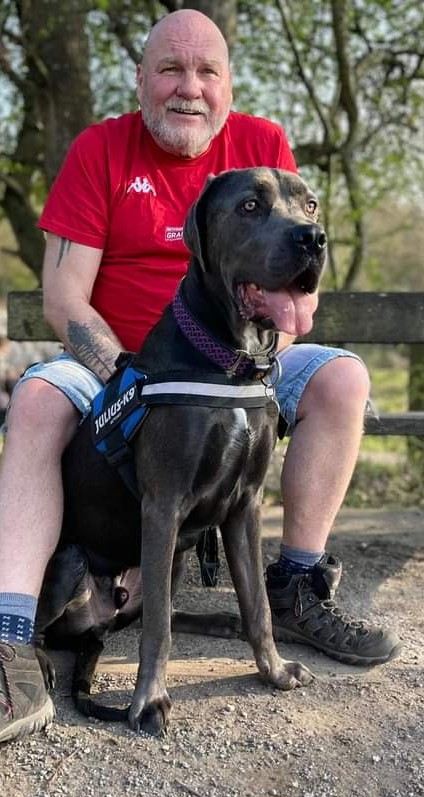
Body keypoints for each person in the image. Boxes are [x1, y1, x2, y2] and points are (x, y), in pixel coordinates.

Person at [0, 9, 400, 744]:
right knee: (33, 398)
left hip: (249, 354)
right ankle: (11, 632)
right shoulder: (101, 151)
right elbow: (64, 299)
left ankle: (296, 585)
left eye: (207, 71)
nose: (190, 88)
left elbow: (295, 258)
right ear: (143, 79)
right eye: (171, 70)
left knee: (344, 378)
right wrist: (135, 381)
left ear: (228, 83)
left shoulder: (264, 147)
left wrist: (280, 320)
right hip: (125, 359)